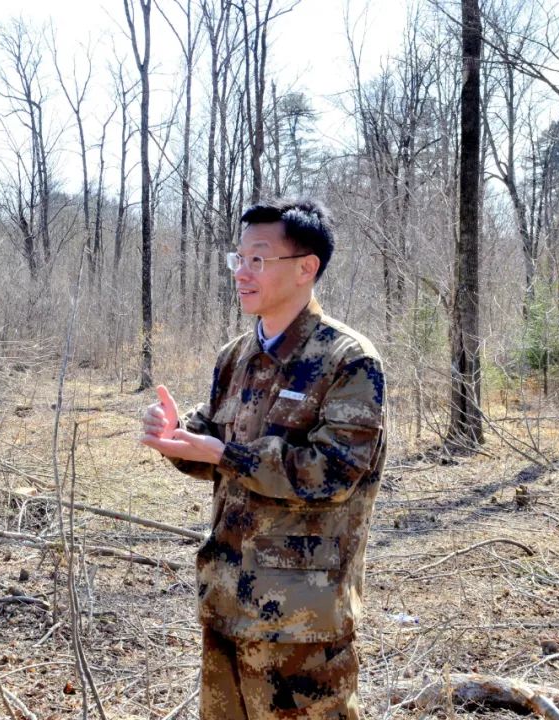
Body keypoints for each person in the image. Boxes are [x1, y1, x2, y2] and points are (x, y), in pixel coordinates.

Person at [140, 199, 386, 720]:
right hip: (226, 603)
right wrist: (175, 435)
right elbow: (211, 444)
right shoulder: (236, 356)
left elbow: (332, 473)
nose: (242, 272)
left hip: (300, 620)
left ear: (305, 267)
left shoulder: (348, 360)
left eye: (259, 259)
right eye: (239, 258)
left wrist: (227, 454)